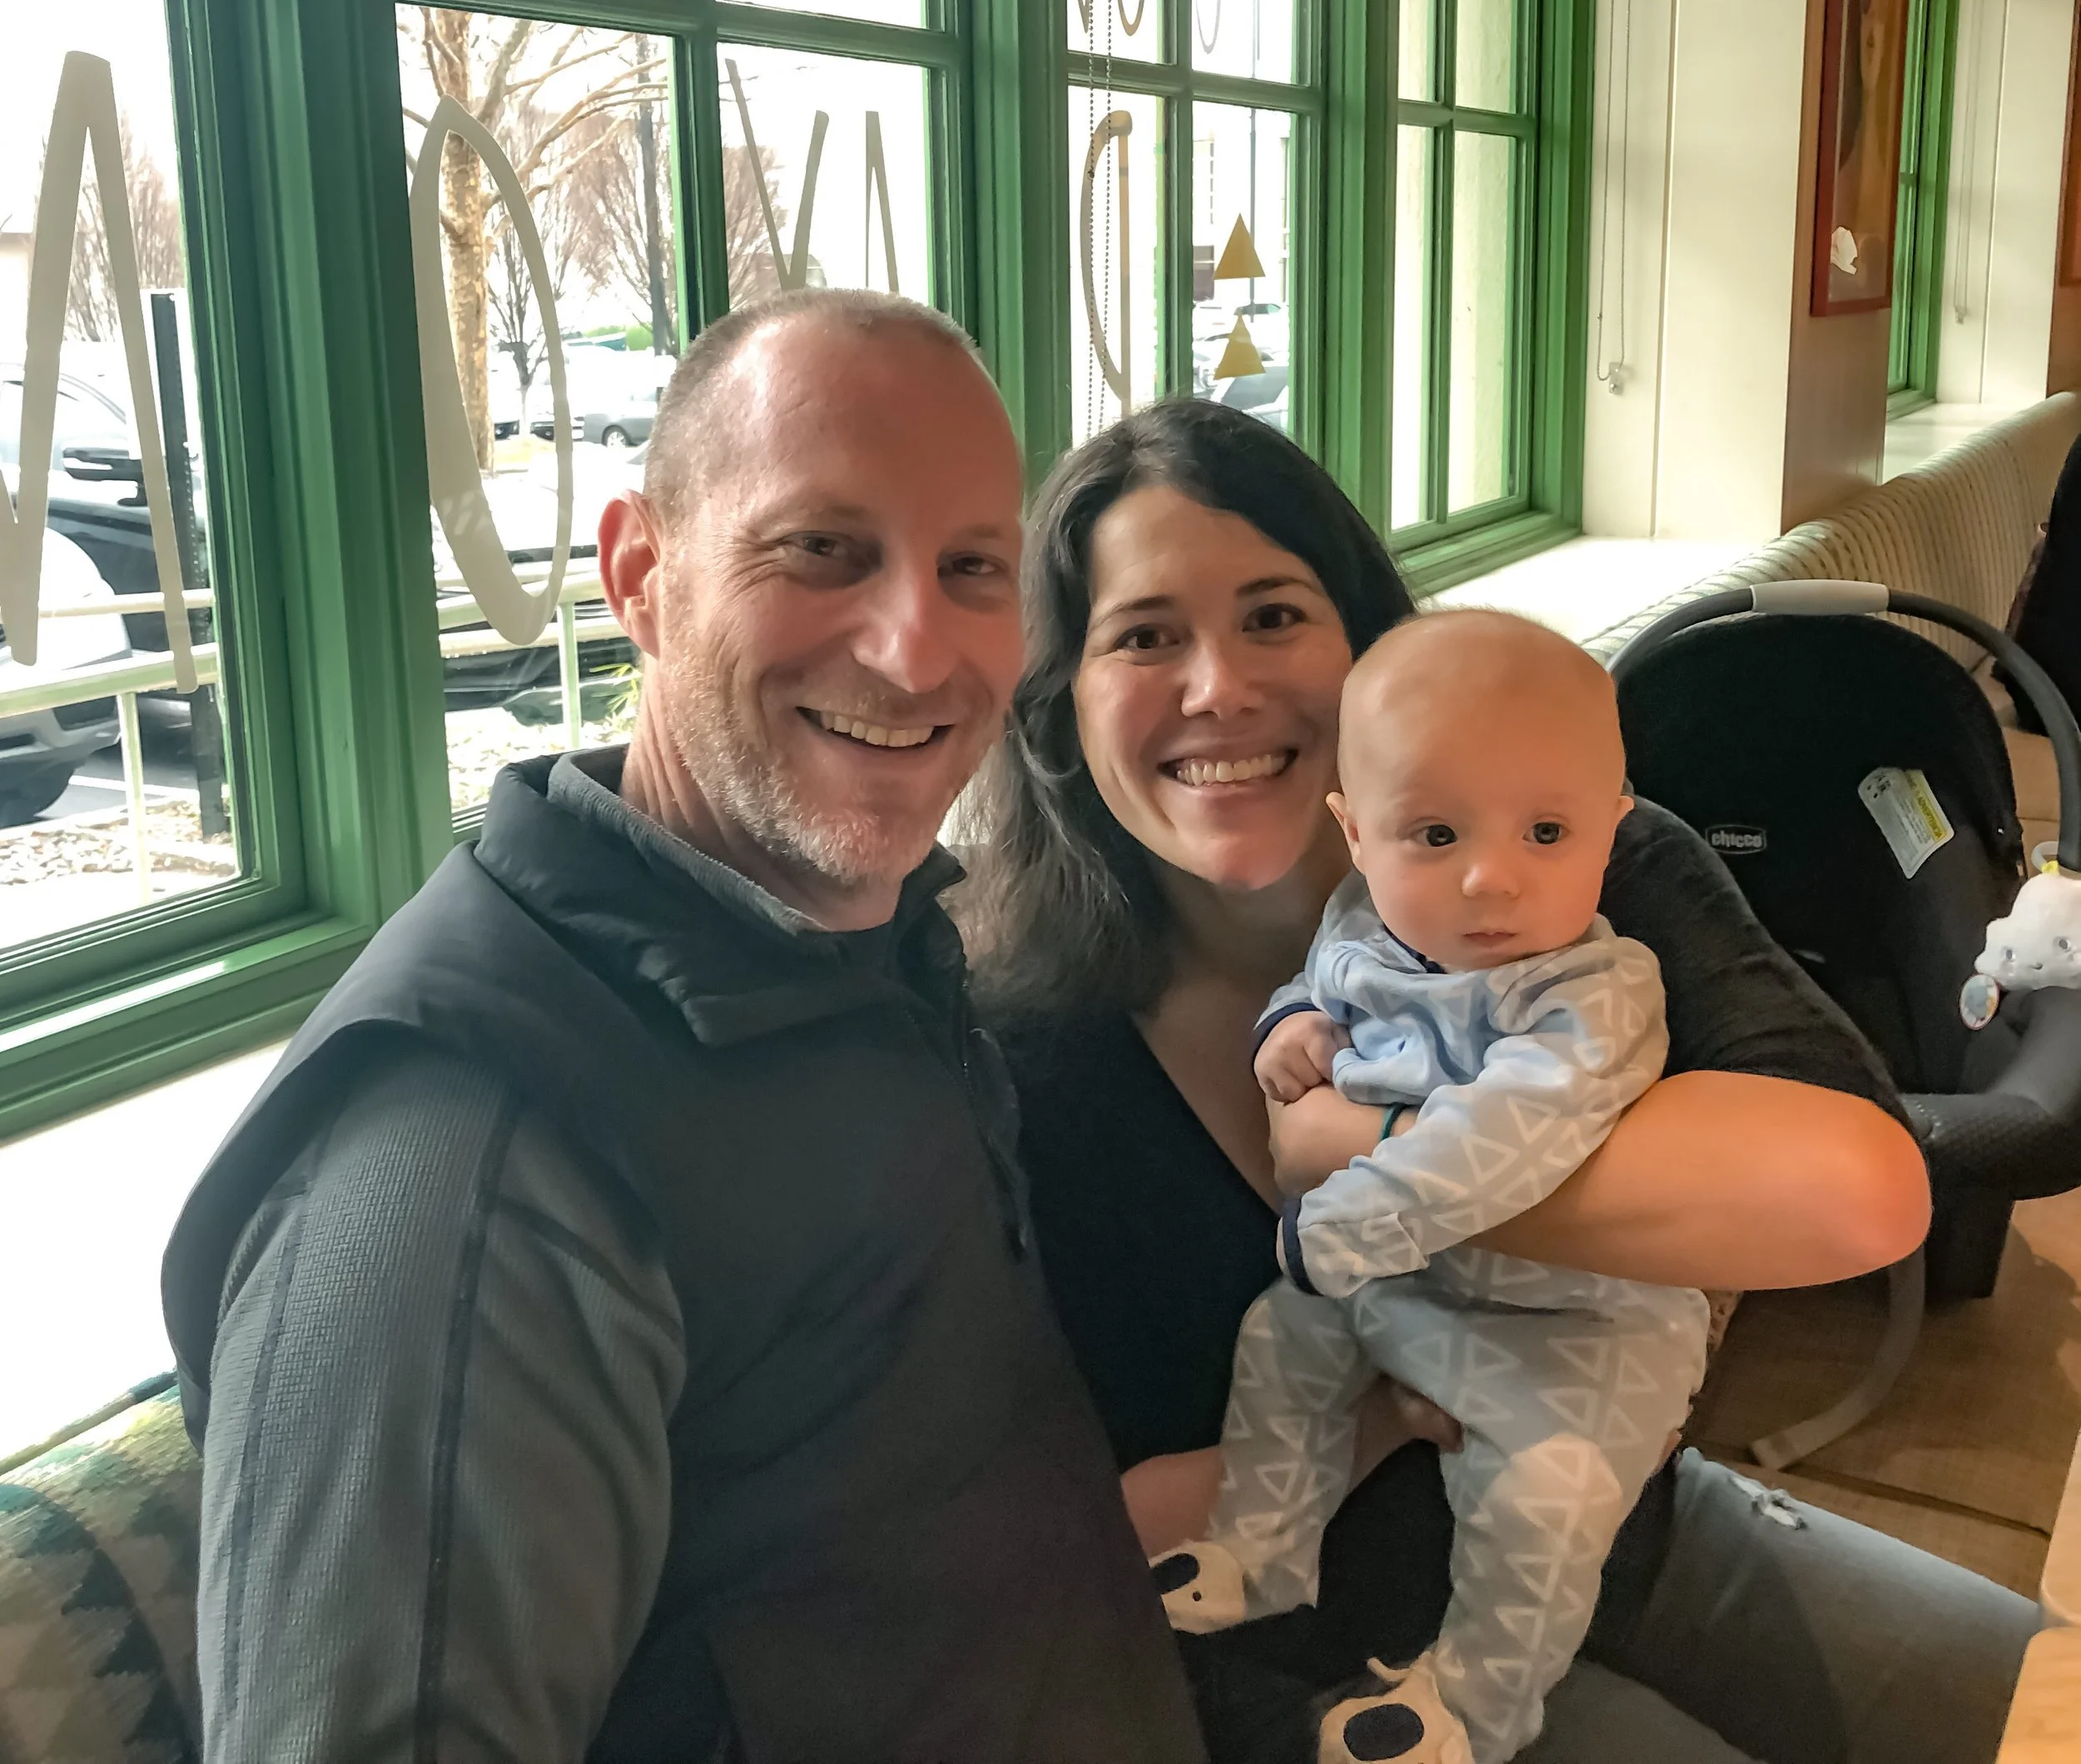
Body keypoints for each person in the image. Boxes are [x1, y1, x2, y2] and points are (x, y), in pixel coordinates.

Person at [161, 291, 1205, 1764]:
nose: (916, 651)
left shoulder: (874, 951)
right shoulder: (471, 1152)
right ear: (640, 573)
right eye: (821, 552)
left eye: (972, 566)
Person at [965, 395, 2038, 1764]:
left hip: (1628, 1524)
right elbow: (1051, 1534)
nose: (1218, 686)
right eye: (1144, 636)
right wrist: (1387, 1412)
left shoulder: (1574, 855)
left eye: (1277, 615)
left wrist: (1356, 1148)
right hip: (1308, 1657)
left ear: (1373, 651)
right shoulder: (1014, 1043)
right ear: (1061, 699)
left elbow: (1860, 1188)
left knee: (2037, 1699)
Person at [1155, 612, 1710, 1764]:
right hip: (1412, 1297)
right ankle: (1259, 1553)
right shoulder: (1365, 925)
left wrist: (1343, 1217)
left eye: (1548, 831)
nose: (1490, 877)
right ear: (1356, 834)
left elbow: (1502, 1140)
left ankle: (1468, 1708)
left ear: (1614, 829)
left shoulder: (1593, 995)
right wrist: (1291, 1027)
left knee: (1542, 1511)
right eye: (1435, 832)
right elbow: (1327, 985)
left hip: (1578, 1330)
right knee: (1281, 1340)